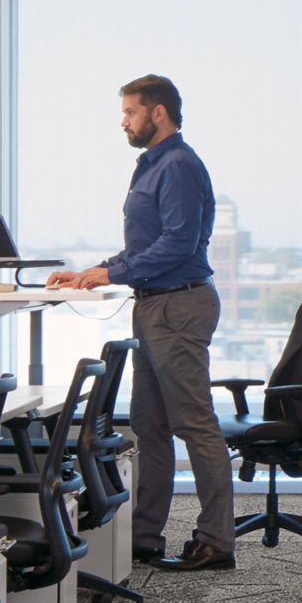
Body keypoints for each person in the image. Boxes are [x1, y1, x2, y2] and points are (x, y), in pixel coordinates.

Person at [50, 74, 236, 571]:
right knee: (150, 427)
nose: (123, 121)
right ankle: (146, 535)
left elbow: (177, 243)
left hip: (178, 305)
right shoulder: (153, 167)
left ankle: (217, 540)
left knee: (194, 424)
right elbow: (145, 247)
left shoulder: (176, 165)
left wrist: (112, 272)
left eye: (130, 112)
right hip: (156, 304)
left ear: (158, 113)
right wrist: (95, 272)